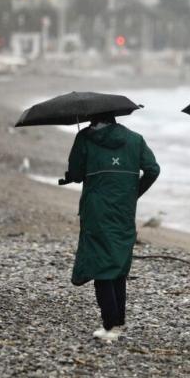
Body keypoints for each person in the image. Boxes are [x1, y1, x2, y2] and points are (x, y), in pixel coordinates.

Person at [66, 113, 160, 341]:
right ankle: (117, 322)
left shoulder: (85, 137)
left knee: (101, 265)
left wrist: (75, 171)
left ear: (93, 117)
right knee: (118, 263)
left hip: (96, 210)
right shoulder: (135, 139)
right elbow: (153, 170)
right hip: (124, 210)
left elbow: (77, 175)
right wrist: (132, 193)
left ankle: (109, 326)